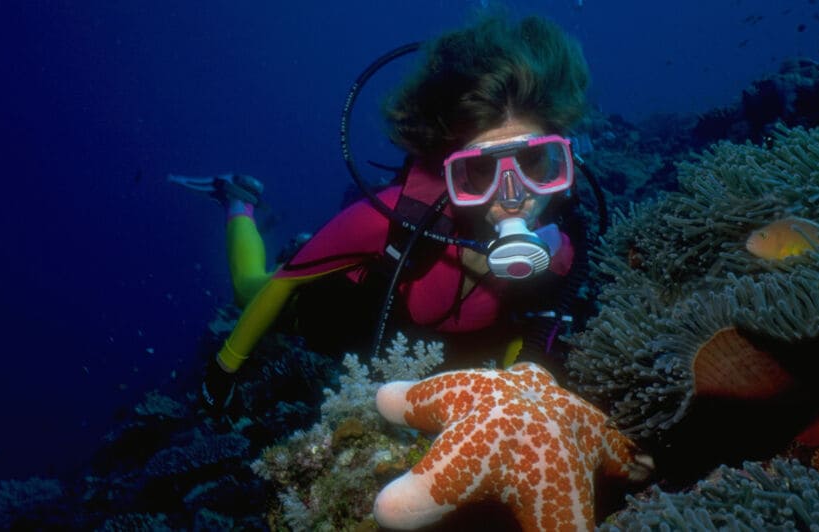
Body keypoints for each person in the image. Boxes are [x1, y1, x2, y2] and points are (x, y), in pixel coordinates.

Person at [174, 13, 594, 413]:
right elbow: (287, 281)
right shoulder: (393, 217)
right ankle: (238, 200)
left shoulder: (562, 250)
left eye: (536, 163)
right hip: (353, 308)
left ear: (563, 161)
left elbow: (532, 329)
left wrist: (515, 395)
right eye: (481, 170)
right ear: (451, 171)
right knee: (250, 288)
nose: (514, 195)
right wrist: (224, 368)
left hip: (438, 347)